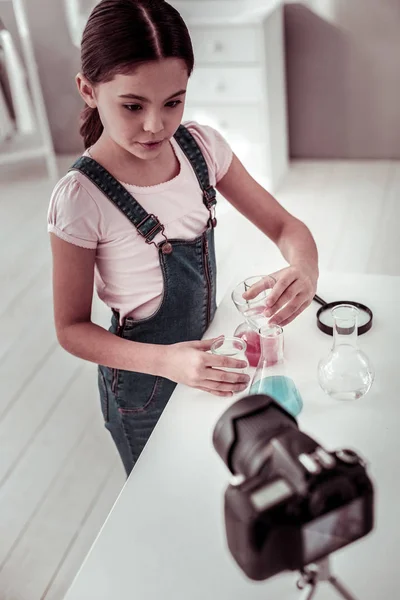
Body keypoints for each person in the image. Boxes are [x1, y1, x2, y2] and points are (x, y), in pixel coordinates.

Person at [47, 0, 319, 476]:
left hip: (209, 361)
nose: (156, 125)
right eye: (133, 106)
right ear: (88, 91)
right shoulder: (80, 197)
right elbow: (71, 330)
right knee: (163, 497)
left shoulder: (201, 148)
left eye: (173, 101)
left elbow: (286, 227)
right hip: (142, 387)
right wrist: (167, 362)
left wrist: (304, 267)